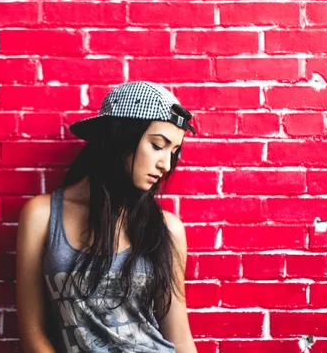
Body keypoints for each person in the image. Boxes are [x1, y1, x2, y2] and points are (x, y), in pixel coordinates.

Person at [15, 81, 198, 353]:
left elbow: (180, 337)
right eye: (158, 145)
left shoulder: (166, 229)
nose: (166, 164)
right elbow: (33, 333)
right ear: (119, 139)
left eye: (174, 151)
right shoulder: (42, 216)